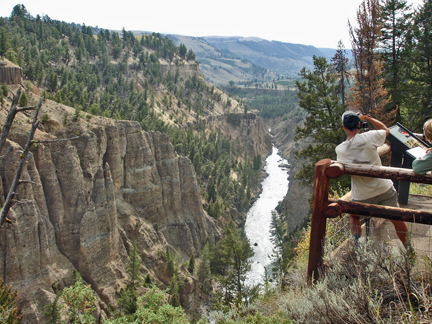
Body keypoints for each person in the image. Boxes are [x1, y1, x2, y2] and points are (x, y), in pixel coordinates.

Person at [335, 111, 407, 244]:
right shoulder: (369, 137)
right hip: (384, 189)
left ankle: (357, 247)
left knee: (354, 216)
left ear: (344, 127)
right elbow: (385, 130)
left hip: (362, 196)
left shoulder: (340, 150)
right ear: (359, 125)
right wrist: (367, 118)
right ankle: (408, 250)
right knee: (397, 219)